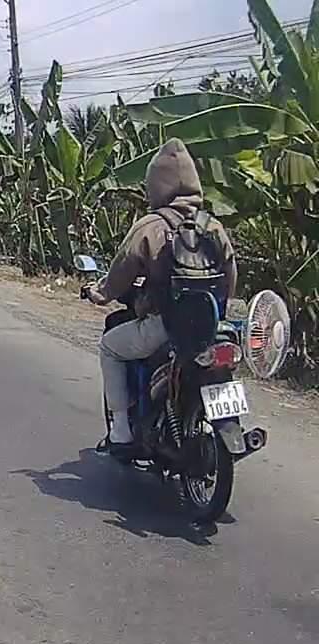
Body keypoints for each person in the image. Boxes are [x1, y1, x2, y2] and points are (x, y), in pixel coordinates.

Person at [84, 138, 237, 452]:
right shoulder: (213, 227)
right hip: (211, 327)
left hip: (166, 327)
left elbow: (121, 271)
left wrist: (100, 293)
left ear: (156, 185)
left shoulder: (151, 226)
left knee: (110, 347)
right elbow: (231, 274)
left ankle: (121, 432)